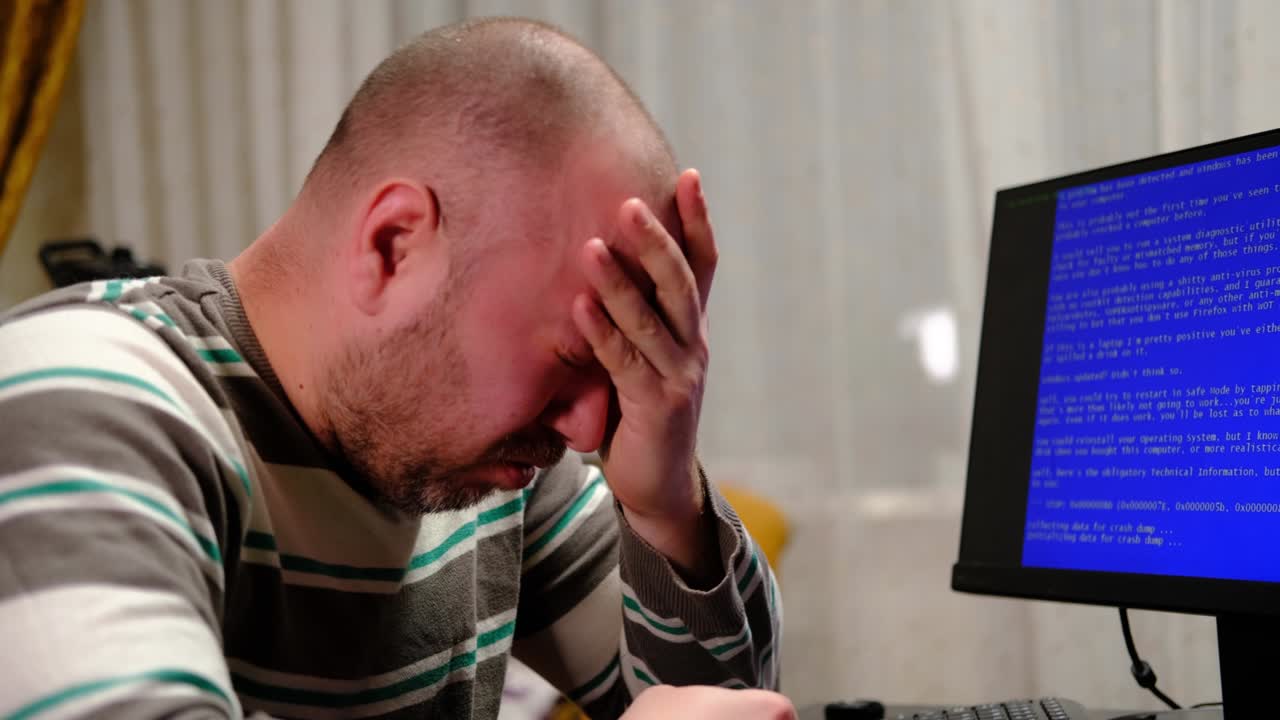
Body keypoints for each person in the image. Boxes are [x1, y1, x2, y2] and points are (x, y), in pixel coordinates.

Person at [0, 16, 790, 720]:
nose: (590, 426)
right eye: (573, 355)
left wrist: (663, 508)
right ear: (393, 246)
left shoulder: (480, 469)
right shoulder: (81, 398)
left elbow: (715, 702)